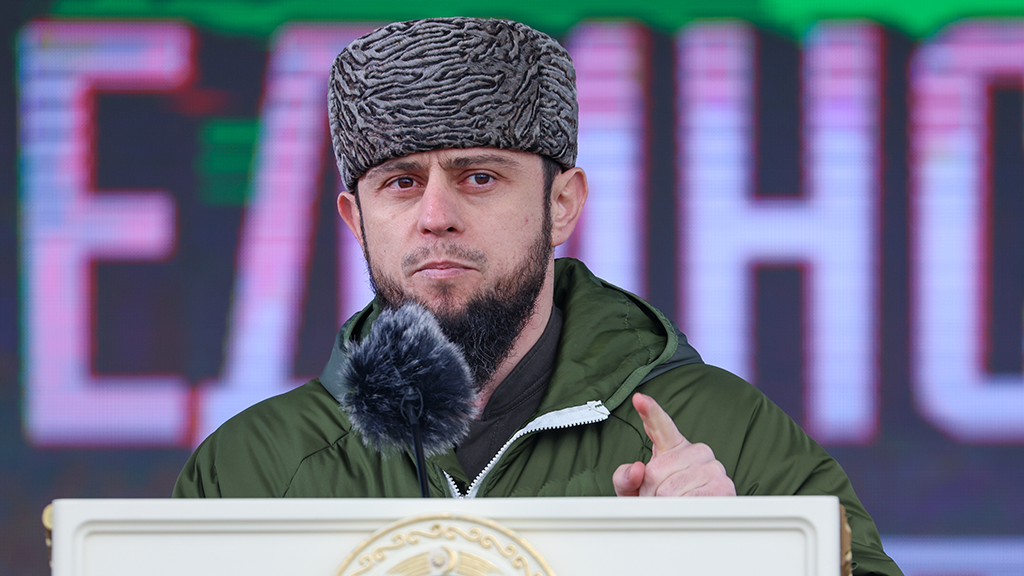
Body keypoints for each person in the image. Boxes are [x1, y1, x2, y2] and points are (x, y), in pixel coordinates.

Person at [174, 17, 902, 575]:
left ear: (562, 204)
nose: (435, 215)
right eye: (400, 182)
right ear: (355, 218)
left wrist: (748, 558)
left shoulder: (719, 434)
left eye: (479, 177)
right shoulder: (253, 470)